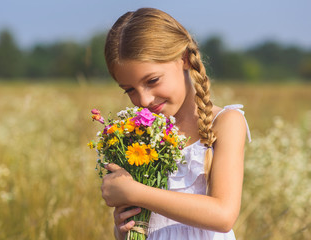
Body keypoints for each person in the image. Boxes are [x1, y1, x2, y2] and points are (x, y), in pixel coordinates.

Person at [101, 7, 251, 240]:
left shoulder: (225, 123)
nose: (143, 100)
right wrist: (124, 229)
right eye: (129, 90)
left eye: (152, 80)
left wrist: (135, 193)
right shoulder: (138, 135)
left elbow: (223, 215)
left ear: (183, 59)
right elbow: (146, 219)